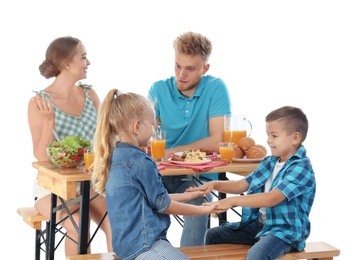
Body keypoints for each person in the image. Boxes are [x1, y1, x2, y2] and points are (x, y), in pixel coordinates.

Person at [91, 89, 222, 260]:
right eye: (153, 124)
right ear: (137, 126)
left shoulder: (116, 155)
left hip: (127, 247)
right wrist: (202, 210)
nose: (155, 130)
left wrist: (187, 195)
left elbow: (153, 199)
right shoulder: (140, 161)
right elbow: (164, 205)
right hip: (146, 246)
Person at [188, 106, 316, 260]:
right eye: (268, 135)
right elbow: (242, 184)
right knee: (214, 235)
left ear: (295, 138)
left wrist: (232, 201)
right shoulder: (270, 162)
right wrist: (214, 184)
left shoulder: (301, 167)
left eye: (274, 135)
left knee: (256, 255)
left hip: (284, 232)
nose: (269, 140)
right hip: (259, 226)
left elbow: (271, 198)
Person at [28, 36, 112, 257]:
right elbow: (41, 157)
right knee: (78, 225)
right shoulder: (40, 102)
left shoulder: (89, 93)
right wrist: (48, 124)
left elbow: (106, 135)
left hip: (91, 182)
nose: (88, 62)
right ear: (66, 64)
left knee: (116, 221)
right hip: (53, 187)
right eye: (83, 57)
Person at [148, 31, 232, 246]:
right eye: (178, 66)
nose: (181, 74)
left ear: (205, 68)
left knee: (199, 203)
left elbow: (217, 141)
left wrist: (174, 151)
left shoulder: (215, 88)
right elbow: (146, 135)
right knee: (137, 200)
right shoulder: (158, 89)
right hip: (160, 175)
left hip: (197, 177)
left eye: (190, 69)